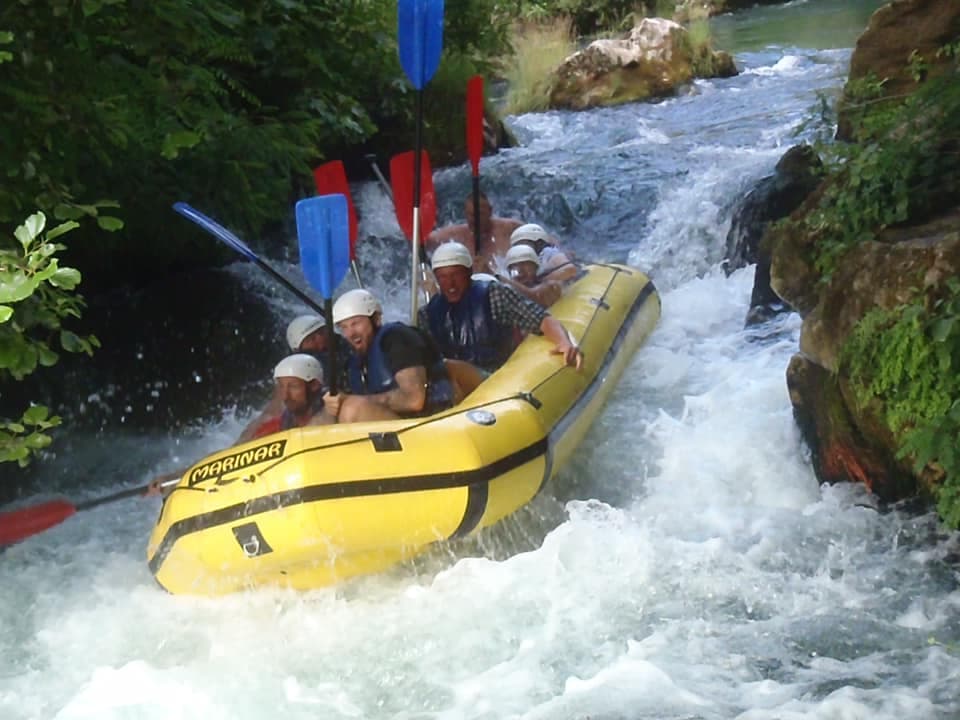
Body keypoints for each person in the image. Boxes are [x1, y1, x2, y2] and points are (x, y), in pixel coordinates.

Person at [146, 354, 333, 496]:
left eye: (293, 387)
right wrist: (176, 479)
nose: (285, 396)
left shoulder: (333, 410)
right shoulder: (276, 425)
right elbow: (231, 457)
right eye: (281, 387)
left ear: (314, 386)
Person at [418, 242, 583, 373]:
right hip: (458, 383)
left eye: (456, 275)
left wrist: (564, 342)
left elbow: (542, 320)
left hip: (496, 375)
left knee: (452, 367)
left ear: (469, 272)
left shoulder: (494, 294)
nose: (450, 284)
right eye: (443, 277)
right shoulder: (427, 314)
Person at [322, 289, 480, 423]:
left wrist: (351, 401)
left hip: (432, 422)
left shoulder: (397, 340)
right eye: (344, 327)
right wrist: (333, 405)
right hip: (399, 428)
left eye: (356, 323)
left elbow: (414, 400)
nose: (351, 333)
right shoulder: (353, 360)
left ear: (376, 319)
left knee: (352, 408)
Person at [426, 191, 523, 273]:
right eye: (471, 215)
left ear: (490, 211)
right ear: (465, 214)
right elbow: (426, 240)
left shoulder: (510, 229)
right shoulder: (455, 234)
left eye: (480, 214)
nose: (475, 219)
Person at [509, 223, 578, 284]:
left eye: (524, 244)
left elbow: (569, 269)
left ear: (537, 242)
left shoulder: (548, 253)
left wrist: (538, 283)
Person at [499, 243, 563, 308]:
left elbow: (535, 295)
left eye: (524, 265)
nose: (520, 272)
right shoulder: (509, 295)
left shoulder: (550, 285)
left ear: (535, 268)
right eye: (515, 267)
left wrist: (508, 281)